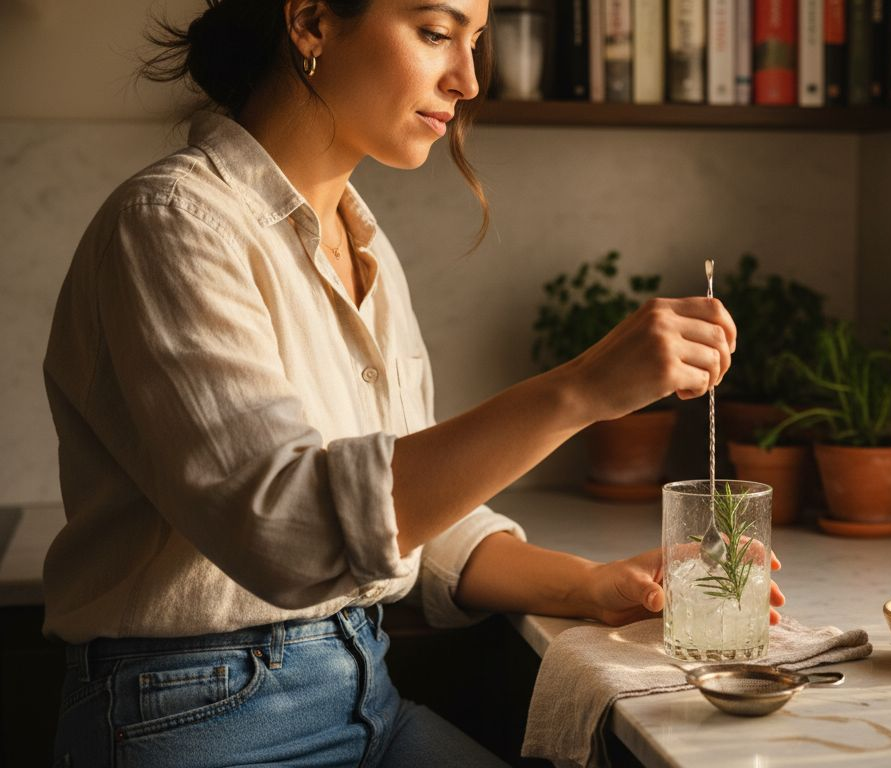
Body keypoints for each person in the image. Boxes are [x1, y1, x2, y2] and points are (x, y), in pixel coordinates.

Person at [41, 0, 785, 764]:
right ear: (312, 23)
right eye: (436, 33)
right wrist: (579, 390)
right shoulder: (170, 223)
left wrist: (590, 586)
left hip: (366, 694)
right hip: (194, 711)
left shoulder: (360, 245)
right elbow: (293, 534)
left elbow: (406, 518)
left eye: (475, 41)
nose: (467, 79)